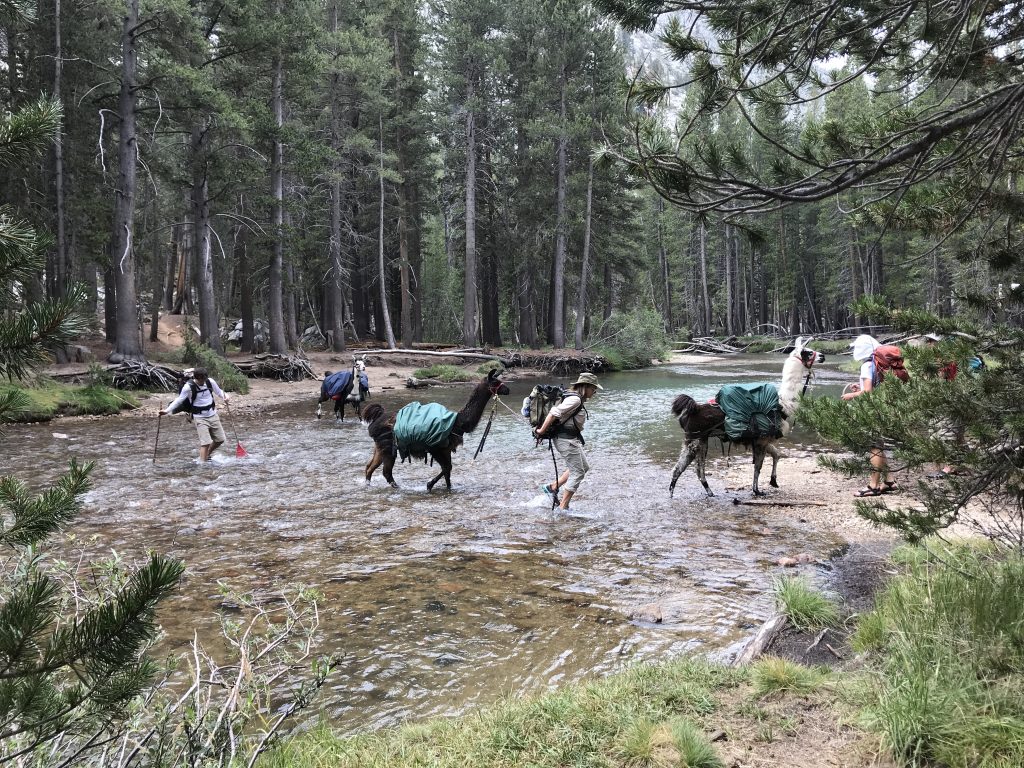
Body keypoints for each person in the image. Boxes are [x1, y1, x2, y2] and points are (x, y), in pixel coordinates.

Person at [536, 372, 602, 511]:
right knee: (578, 472)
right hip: (566, 440)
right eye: (593, 388)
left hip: (570, 439)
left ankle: (552, 487)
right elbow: (554, 412)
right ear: (585, 387)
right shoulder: (575, 400)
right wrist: (541, 431)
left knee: (584, 467)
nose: (594, 392)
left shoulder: (575, 398)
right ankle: (563, 507)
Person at [841, 335, 897, 497]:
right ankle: (889, 481)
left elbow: (868, 392)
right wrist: (859, 387)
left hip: (873, 410)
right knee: (878, 445)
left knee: (875, 447)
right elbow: (875, 387)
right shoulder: (879, 364)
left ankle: (873, 485)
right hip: (883, 407)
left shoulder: (867, 365)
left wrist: (851, 396)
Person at [160, 367, 231, 462]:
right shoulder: (188, 387)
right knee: (205, 443)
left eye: (204, 379)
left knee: (220, 439)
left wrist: (225, 396)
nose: (202, 382)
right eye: (200, 380)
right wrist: (167, 411)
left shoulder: (210, 382)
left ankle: (207, 454)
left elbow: (219, 392)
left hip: (213, 414)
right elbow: (179, 400)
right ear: (196, 378)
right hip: (199, 417)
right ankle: (202, 464)